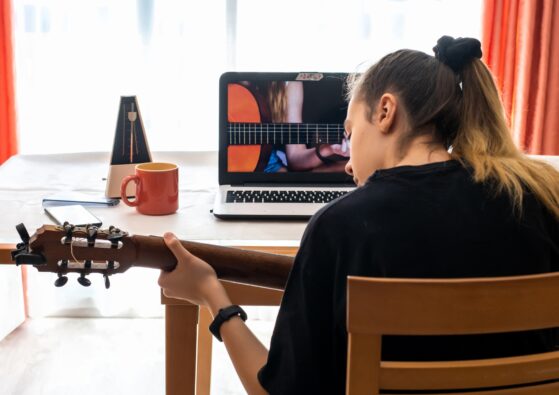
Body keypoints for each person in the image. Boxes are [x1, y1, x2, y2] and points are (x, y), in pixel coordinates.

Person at [158, 36, 559, 394]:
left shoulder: (341, 226)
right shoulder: (540, 196)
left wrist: (212, 294)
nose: (348, 164)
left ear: (385, 111)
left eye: (349, 133)